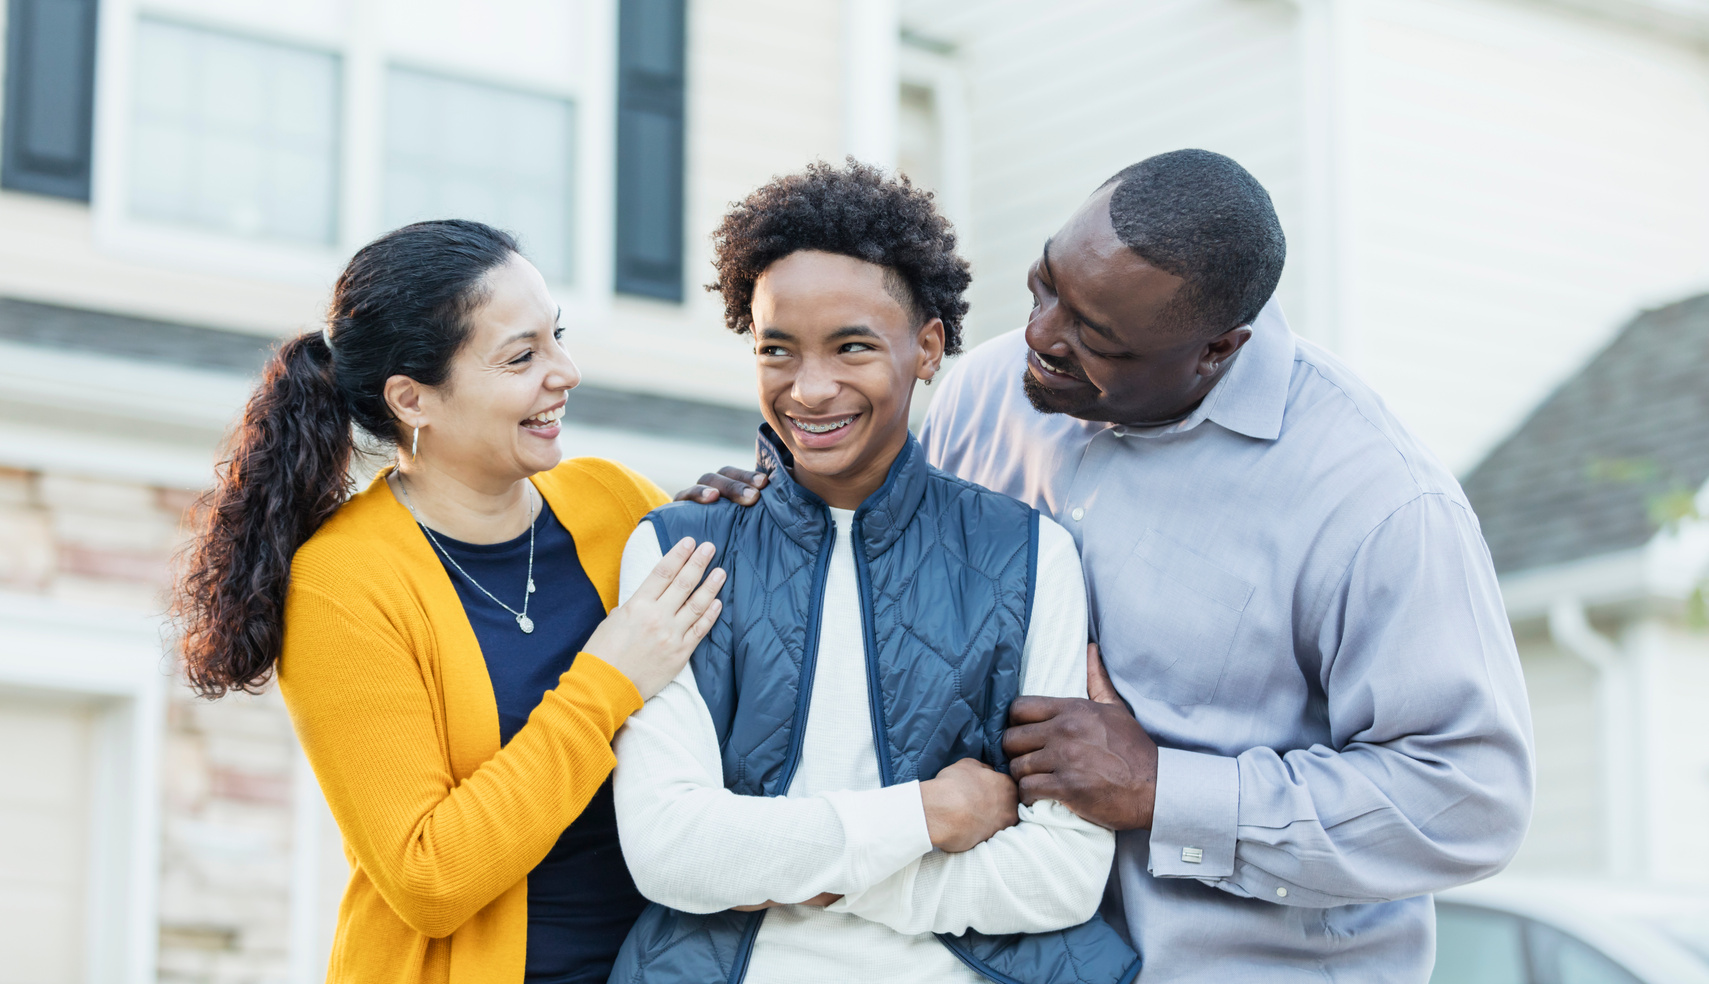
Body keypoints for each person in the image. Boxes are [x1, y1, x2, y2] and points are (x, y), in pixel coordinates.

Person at [683, 150, 1535, 981]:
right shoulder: (986, 394)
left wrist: (1166, 788)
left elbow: (1467, 798)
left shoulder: (1374, 502)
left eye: (1097, 338)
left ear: (1216, 349)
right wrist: (775, 514)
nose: (1042, 337)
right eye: (1045, 285)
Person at [607, 162, 1140, 984]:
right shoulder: (681, 550)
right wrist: (929, 815)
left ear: (926, 347)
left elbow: (1061, 880)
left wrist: (793, 874)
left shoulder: (1028, 555)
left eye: (851, 347)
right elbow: (670, 856)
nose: (809, 390)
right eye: (776, 350)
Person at [173, 220, 724, 984]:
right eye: (521, 356)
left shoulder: (613, 500)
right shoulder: (344, 584)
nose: (563, 371)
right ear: (413, 398)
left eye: (555, 337)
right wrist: (606, 683)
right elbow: (429, 877)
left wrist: (744, 535)